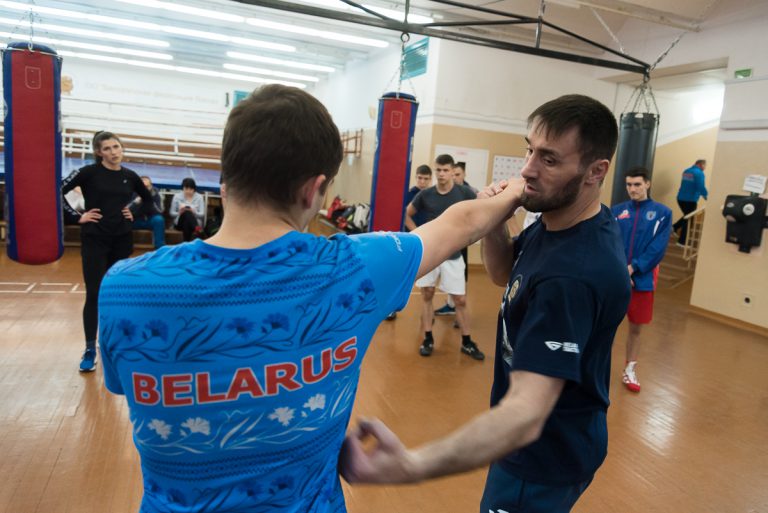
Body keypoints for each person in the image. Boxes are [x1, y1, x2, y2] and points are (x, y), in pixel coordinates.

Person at [97, 84, 522, 513]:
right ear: (313, 189)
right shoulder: (353, 268)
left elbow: (124, 386)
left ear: (228, 175)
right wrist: (518, 186)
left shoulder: (124, 287)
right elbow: (462, 223)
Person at [340, 94, 631, 513]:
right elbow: (503, 273)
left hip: (541, 457)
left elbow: (525, 415)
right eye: (529, 150)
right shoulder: (559, 222)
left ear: (596, 171)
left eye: (549, 159)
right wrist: (496, 222)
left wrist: (410, 465)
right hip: (538, 445)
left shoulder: (572, 275)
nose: (528, 169)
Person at [61, 131, 154, 372]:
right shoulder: (87, 172)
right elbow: (56, 190)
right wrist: (76, 217)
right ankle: (90, 349)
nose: (114, 152)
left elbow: (149, 199)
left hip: (121, 240)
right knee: (94, 293)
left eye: (116, 147)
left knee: (117, 294)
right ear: (98, 152)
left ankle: (114, 345)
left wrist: (133, 211)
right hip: (95, 239)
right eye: (107, 148)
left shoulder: (130, 176)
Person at [405, 153, 483, 360]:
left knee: (460, 299)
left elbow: (480, 211)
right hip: (430, 252)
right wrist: (418, 234)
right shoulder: (426, 194)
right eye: (438, 170)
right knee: (427, 294)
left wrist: (471, 235)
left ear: (452, 171)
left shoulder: (464, 192)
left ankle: (467, 342)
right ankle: (428, 338)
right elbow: (407, 214)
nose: (441, 174)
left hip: (453, 254)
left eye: (445, 170)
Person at [611, 168, 672, 392]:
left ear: (647, 184)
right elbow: (610, 243)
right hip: (616, 279)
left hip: (642, 281)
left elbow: (658, 248)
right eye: (629, 184)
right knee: (605, 325)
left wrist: (633, 268)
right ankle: (594, 367)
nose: (632, 189)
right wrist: (621, 271)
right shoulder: (617, 212)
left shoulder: (663, 213)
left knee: (636, 329)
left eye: (637, 184)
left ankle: (629, 370)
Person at [672, 159, 708, 245]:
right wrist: (707, 197)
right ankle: (682, 242)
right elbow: (700, 187)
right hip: (690, 200)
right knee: (689, 220)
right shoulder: (699, 173)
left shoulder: (686, 171)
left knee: (687, 216)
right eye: (705, 166)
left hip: (680, 198)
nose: (705, 168)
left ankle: (674, 227)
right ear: (701, 165)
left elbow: (687, 185)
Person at [131, 176, 166, 249]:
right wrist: (135, 203)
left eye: (147, 186)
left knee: (159, 220)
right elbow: (127, 210)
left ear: (151, 186)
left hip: (151, 220)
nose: (145, 189)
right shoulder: (132, 193)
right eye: (143, 186)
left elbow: (160, 211)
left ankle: (159, 247)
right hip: (136, 220)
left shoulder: (156, 194)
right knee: (124, 219)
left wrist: (150, 200)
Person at [170, 177, 205, 241]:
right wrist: (179, 212)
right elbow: (171, 213)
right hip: (180, 222)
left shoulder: (199, 197)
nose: (188, 191)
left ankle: (186, 242)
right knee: (186, 213)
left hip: (194, 221)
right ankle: (197, 228)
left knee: (187, 221)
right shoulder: (177, 196)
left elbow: (202, 214)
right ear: (182, 188)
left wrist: (194, 212)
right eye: (186, 189)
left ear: (194, 189)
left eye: (191, 189)